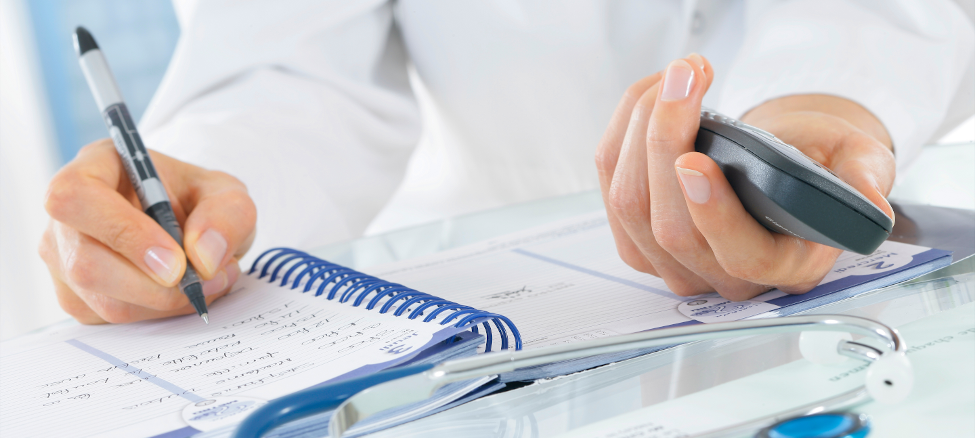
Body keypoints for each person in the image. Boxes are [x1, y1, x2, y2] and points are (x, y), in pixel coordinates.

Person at [38, 0, 974, 324]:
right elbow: (292, 67)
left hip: (881, 287)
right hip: (501, 322)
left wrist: (821, 106)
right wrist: (206, 188)